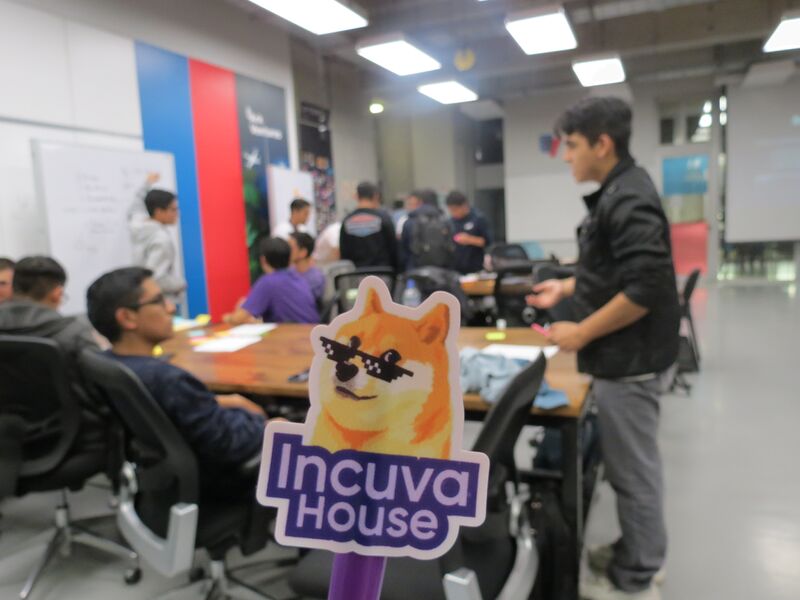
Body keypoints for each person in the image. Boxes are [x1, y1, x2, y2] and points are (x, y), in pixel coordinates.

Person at [528, 97, 679, 600]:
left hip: (630, 361)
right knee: (630, 468)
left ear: (602, 144)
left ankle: (637, 575)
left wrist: (581, 332)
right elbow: (613, 269)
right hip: (628, 356)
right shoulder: (621, 190)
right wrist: (567, 287)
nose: (566, 156)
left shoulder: (628, 198)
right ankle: (637, 552)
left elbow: (646, 288)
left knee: (633, 475)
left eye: (572, 145)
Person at [86, 267, 268, 494]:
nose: (171, 308)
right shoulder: (169, 380)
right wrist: (268, 426)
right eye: (159, 301)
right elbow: (228, 444)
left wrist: (228, 401)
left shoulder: (108, 365)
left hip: (160, 478)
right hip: (219, 480)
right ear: (127, 317)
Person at [0, 256, 106, 448]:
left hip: (7, 441)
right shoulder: (74, 335)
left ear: (14, 288)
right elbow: (101, 392)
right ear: (57, 294)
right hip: (68, 442)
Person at [223, 237, 319, 325]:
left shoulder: (268, 282)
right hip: (311, 332)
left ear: (263, 260)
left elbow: (238, 319)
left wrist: (227, 318)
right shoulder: (299, 278)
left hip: (290, 334)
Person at [128, 176, 186, 304]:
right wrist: (179, 284)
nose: (177, 214)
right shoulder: (161, 240)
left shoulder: (137, 225)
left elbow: (134, 208)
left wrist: (147, 183)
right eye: (173, 209)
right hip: (161, 302)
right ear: (159, 211)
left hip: (141, 298)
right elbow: (155, 277)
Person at [339, 181, 398, 270]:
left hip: (356, 274)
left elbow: (344, 253)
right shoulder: (384, 218)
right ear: (376, 196)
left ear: (357, 196)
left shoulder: (347, 221)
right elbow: (393, 249)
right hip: (383, 273)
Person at [399, 189, 455, 271]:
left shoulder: (410, 221)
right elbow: (452, 246)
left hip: (416, 269)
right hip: (442, 269)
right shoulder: (445, 220)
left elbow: (404, 250)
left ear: (420, 202)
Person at [445, 191, 492, 274]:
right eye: (451, 210)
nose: (453, 213)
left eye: (455, 209)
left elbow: (487, 242)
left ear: (464, 205)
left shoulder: (478, 218)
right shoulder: (450, 222)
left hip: (475, 268)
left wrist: (469, 239)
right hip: (456, 268)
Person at [289, 231, 325, 303]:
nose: (286, 251)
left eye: (290, 248)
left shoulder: (315, 278)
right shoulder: (289, 271)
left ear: (303, 252)